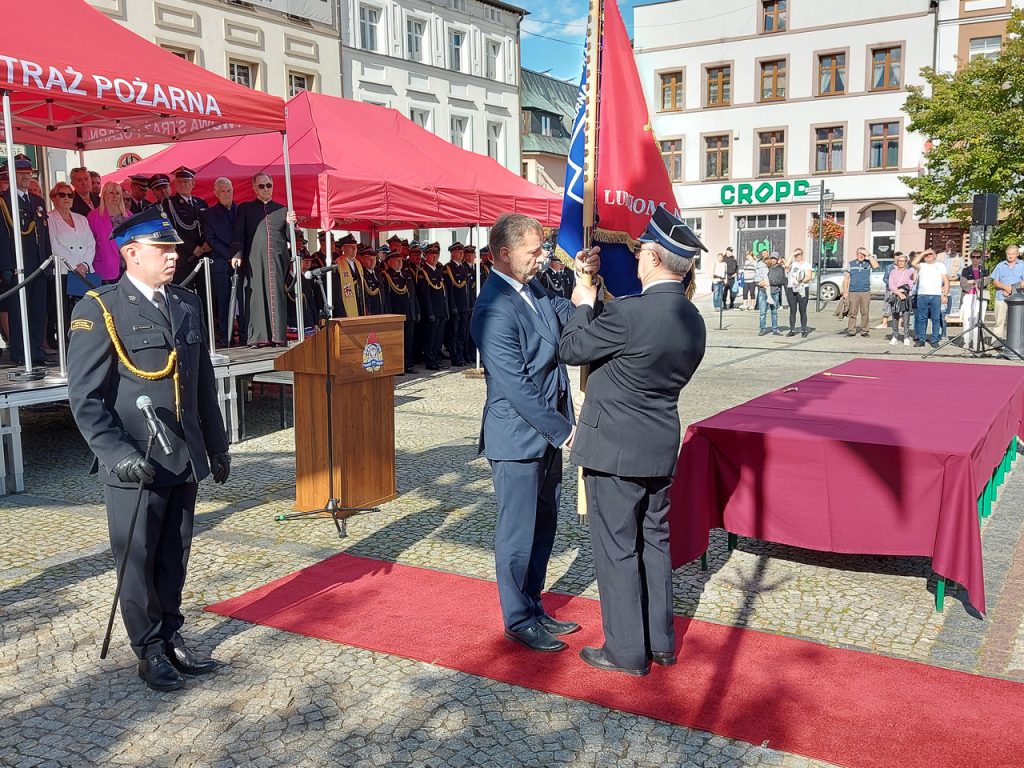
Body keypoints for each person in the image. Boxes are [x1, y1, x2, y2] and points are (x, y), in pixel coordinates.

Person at [66, 206, 230, 692]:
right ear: (131, 253)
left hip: (183, 454)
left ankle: (172, 636)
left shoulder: (185, 303)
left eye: (174, 249)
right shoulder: (101, 309)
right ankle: (149, 650)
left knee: (174, 554)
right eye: (163, 250)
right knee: (137, 559)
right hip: (135, 461)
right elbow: (85, 398)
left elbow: (202, 385)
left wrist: (216, 446)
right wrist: (116, 453)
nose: (173, 257)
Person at [558, 206, 706, 676]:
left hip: (615, 449)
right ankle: (660, 641)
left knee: (617, 548)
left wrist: (583, 302)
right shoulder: (692, 317)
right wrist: (596, 286)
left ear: (656, 258)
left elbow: (572, 348)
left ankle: (625, 652)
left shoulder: (629, 313)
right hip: (658, 445)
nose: (637, 257)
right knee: (655, 542)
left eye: (642, 251)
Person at [470, 212, 600, 654]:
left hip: (544, 435)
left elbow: (566, 312)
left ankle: (534, 603)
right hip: (518, 438)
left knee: (544, 525)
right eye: (534, 250)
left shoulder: (532, 288)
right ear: (504, 254)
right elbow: (517, 386)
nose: (542, 256)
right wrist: (565, 431)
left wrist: (584, 283)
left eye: (542, 248)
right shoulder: (492, 307)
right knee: (517, 534)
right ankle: (517, 618)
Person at [232, 173, 297, 347]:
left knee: (277, 295)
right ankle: (258, 337)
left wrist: (291, 223)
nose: (266, 189)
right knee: (256, 296)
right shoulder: (245, 208)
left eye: (268, 185)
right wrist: (237, 254)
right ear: (255, 188)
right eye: (261, 186)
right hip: (254, 259)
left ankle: (278, 336)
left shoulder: (283, 210)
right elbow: (239, 234)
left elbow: (291, 238)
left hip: (277, 259)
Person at [0, 157, 52, 366]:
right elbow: (2, 236)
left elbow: (44, 234)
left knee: (38, 310)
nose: (26, 177)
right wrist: (6, 266)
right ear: (12, 175)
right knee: (19, 311)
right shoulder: (4, 202)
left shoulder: (37, 201)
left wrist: (48, 260)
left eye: (28, 173)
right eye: (21, 174)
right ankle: (21, 353)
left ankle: (36, 352)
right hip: (18, 266)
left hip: (39, 264)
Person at [48, 181, 96, 331]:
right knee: (65, 313)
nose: (66, 198)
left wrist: (85, 265)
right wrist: (73, 267)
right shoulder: (49, 218)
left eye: (70, 195)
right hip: (64, 271)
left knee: (87, 311)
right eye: (62, 195)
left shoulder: (81, 218)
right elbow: (53, 245)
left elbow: (91, 243)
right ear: (53, 198)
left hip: (84, 272)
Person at [199, 178, 241, 346]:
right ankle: (226, 336)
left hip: (241, 261)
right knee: (223, 301)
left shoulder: (241, 210)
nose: (226, 194)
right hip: (221, 262)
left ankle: (244, 333)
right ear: (216, 193)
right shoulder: (208, 214)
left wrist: (238, 255)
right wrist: (230, 256)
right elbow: (211, 238)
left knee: (243, 300)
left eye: (229, 190)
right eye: (222, 191)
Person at [161, 167, 209, 288]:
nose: (182, 184)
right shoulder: (169, 203)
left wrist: (207, 242)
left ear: (193, 183)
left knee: (205, 292)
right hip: (184, 257)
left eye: (186, 181)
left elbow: (208, 226)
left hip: (203, 255)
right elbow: (171, 229)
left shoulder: (200, 202)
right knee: (184, 291)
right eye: (179, 182)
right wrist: (192, 247)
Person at [380, 249, 416, 373]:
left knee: (409, 340)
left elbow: (413, 295)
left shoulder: (406, 274)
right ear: (390, 262)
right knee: (398, 341)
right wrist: (389, 314)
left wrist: (416, 310)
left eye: (401, 260)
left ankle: (408, 364)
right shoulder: (386, 275)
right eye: (397, 261)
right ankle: (398, 365)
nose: (400, 263)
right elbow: (387, 298)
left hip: (409, 312)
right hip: (397, 313)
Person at [88, 181, 131, 284]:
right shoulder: (93, 216)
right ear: (104, 195)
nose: (115, 196)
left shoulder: (128, 215)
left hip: (127, 266)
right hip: (105, 267)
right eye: (111, 192)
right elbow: (89, 243)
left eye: (117, 193)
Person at [416, 243, 448, 370]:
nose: (435, 257)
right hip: (431, 311)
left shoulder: (437, 271)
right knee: (430, 337)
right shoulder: (423, 272)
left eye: (436, 255)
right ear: (426, 256)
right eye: (432, 255)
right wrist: (429, 312)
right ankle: (430, 361)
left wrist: (445, 310)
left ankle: (436, 359)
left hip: (440, 310)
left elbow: (443, 293)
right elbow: (425, 295)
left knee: (438, 338)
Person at [911, 249, 949, 348]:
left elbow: (946, 281)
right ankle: (921, 339)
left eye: (930, 254)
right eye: (926, 255)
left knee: (936, 319)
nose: (928, 256)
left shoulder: (940, 265)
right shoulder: (921, 265)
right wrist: (923, 253)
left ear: (935, 255)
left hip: (936, 295)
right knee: (921, 318)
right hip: (922, 295)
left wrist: (945, 295)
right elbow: (913, 263)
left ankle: (935, 340)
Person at [842, 247, 878, 337]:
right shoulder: (851, 264)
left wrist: (868, 255)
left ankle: (864, 330)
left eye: (863, 254)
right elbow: (846, 278)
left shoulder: (868, 263)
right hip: (853, 291)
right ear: (856, 254)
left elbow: (876, 266)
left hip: (865, 291)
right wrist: (845, 292)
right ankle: (851, 330)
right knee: (852, 312)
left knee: (865, 312)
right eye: (859, 253)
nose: (861, 255)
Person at [444, 242, 470, 365]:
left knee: (462, 333)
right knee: (454, 333)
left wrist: (468, 304)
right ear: (452, 253)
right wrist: (452, 306)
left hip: (464, 306)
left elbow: (467, 289)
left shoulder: (463, 268)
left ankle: (461, 355)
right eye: (458, 252)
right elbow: (449, 290)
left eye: (462, 252)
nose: (461, 255)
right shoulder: (448, 268)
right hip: (456, 306)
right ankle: (455, 357)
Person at [959, 250, 990, 351]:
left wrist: (973, 281)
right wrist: (977, 282)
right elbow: (963, 283)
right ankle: (967, 341)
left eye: (978, 257)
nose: (975, 259)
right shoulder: (965, 270)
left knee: (979, 319)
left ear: (981, 258)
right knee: (967, 319)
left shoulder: (984, 269)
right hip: (968, 295)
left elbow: (987, 281)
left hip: (981, 297)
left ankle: (977, 342)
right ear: (970, 258)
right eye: (973, 257)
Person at [991, 245, 1024, 340]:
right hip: (1001, 297)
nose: (1010, 256)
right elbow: (995, 281)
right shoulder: (1000, 265)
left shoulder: (1022, 265)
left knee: (1016, 321)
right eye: (1008, 254)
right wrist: (1005, 287)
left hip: (1017, 299)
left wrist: (1011, 289)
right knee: (999, 321)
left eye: (1012, 254)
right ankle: (997, 341)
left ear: (1017, 254)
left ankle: (1014, 341)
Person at [886, 252, 915, 347]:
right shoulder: (893, 272)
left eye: (903, 261)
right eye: (899, 261)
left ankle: (906, 336)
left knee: (906, 317)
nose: (901, 263)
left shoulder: (909, 272)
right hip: (895, 296)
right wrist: (898, 293)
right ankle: (895, 336)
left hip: (905, 296)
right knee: (895, 316)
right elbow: (891, 284)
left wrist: (902, 292)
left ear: (906, 262)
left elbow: (910, 284)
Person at [785, 248, 811, 337]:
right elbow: (786, 265)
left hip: (802, 288)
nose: (797, 256)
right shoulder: (793, 264)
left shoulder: (806, 264)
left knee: (802, 310)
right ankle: (792, 330)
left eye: (799, 254)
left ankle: (803, 330)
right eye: (796, 255)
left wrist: (800, 280)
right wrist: (792, 254)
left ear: (802, 255)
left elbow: (809, 276)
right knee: (793, 310)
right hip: (791, 288)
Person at [756, 252, 783, 336]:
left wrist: (769, 282)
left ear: (777, 260)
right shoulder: (765, 266)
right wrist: (759, 283)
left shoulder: (780, 269)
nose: (773, 260)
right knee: (762, 312)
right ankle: (762, 329)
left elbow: (781, 281)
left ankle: (775, 329)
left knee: (774, 312)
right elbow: (757, 277)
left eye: (775, 259)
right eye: (772, 258)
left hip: (774, 292)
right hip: (763, 292)